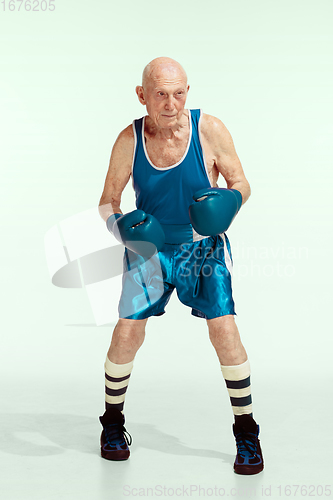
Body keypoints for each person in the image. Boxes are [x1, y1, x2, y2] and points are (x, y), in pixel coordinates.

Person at [98, 57, 264, 475]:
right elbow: (107, 201)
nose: (171, 103)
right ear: (142, 96)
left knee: (224, 330)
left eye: (178, 93)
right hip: (149, 250)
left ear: (187, 92)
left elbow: (242, 182)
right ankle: (112, 424)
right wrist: (120, 227)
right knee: (127, 333)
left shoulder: (210, 129)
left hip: (201, 249)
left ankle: (246, 431)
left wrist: (230, 203)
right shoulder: (129, 140)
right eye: (160, 94)